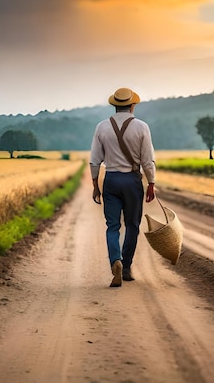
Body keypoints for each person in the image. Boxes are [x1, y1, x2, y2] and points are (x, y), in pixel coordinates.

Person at [89, 87, 156, 287]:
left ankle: (114, 260)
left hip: (111, 179)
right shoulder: (142, 127)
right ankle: (126, 267)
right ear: (132, 105)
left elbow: (94, 161)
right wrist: (151, 183)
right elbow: (148, 161)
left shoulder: (102, 127)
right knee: (133, 225)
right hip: (133, 181)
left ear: (115, 105)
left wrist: (95, 185)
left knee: (112, 226)